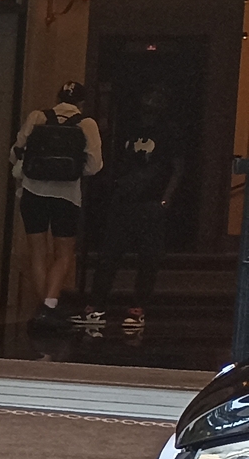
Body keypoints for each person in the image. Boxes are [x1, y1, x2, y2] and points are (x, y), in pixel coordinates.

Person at [85, 89, 182, 335]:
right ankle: (96, 306)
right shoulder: (128, 128)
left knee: (148, 257)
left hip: (150, 201)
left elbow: (178, 168)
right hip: (124, 199)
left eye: (154, 101)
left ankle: (138, 307)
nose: (148, 104)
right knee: (109, 254)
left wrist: (165, 200)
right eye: (146, 99)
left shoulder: (169, 132)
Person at [12, 82, 103, 326]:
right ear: (81, 103)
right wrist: (71, 172)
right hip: (67, 196)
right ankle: (49, 305)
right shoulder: (87, 124)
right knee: (64, 254)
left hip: (33, 191)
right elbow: (95, 165)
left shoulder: (38, 116)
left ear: (57, 97)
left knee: (37, 252)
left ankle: (45, 309)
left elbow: (16, 151)